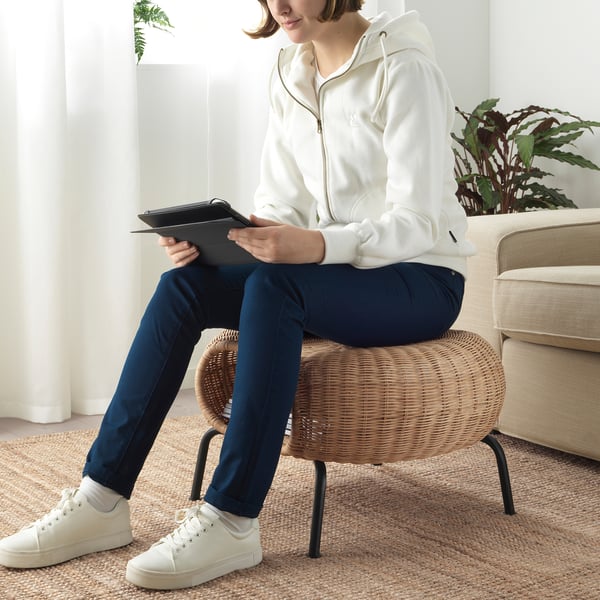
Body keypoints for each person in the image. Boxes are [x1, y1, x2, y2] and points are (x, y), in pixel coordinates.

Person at [0, 0, 475, 591]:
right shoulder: (289, 71)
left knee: (278, 287)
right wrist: (229, 242)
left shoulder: (403, 66)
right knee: (185, 285)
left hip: (420, 277)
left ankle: (232, 516)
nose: (278, 4)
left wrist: (316, 246)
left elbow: (419, 220)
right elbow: (281, 205)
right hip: (334, 273)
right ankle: (102, 499)